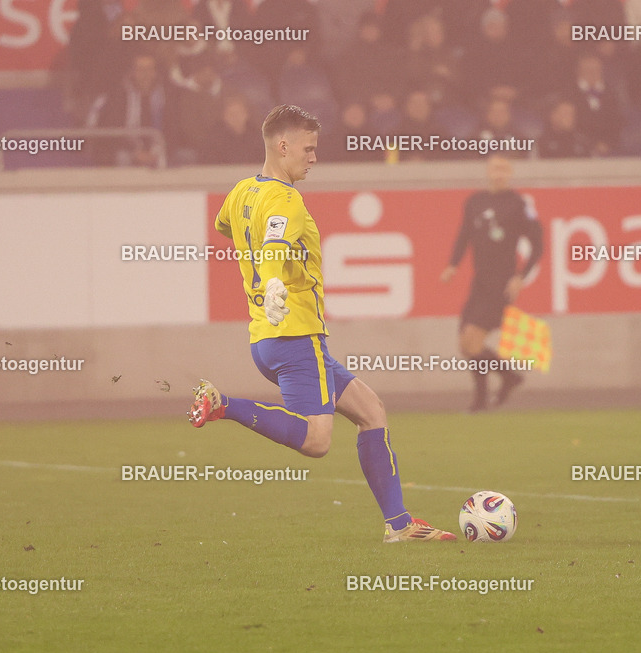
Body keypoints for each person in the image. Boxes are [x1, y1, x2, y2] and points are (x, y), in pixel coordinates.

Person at [188, 104, 456, 543]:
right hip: (294, 332)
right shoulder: (286, 199)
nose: (314, 158)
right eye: (308, 149)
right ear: (283, 145)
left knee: (372, 412)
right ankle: (224, 404)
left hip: (266, 336)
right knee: (316, 440)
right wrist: (275, 282)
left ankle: (399, 525)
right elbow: (274, 244)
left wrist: (263, 269)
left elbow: (224, 227)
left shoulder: (242, 191)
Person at [440, 155, 543, 412]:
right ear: (487, 171)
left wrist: (520, 276)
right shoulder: (475, 201)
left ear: (510, 172)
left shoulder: (519, 204)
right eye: (494, 168)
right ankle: (509, 376)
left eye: (503, 168)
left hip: (502, 282)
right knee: (465, 345)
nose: (498, 173)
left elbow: (538, 244)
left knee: (473, 342)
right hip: (480, 281)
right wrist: (453, 265)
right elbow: (465, 234)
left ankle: (481, 399)